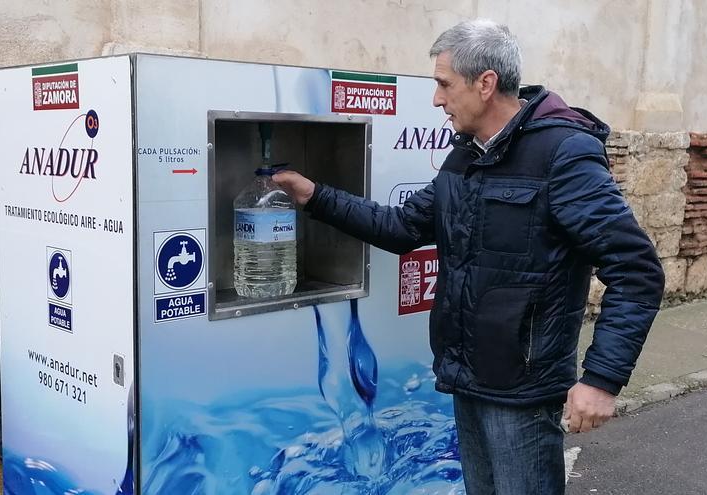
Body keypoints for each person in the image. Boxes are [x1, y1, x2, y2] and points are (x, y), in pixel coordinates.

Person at [273, 19, 664, 495]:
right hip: (467, 379)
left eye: (443, 84)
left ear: (486, 83)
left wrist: (601, 379)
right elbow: (400, 228)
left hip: (523, 390)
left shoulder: (562, 154)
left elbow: (636, 271)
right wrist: (314, 195)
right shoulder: (465, 157)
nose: (437, 99)